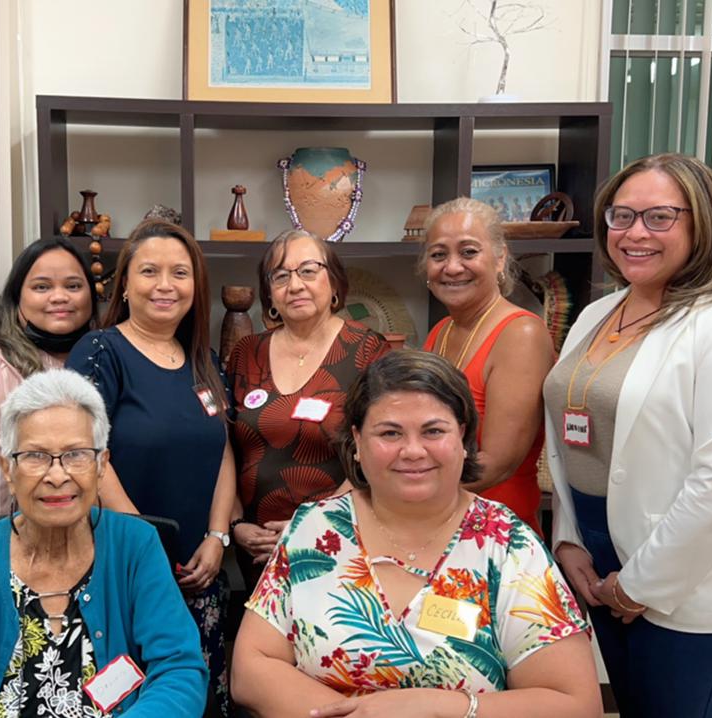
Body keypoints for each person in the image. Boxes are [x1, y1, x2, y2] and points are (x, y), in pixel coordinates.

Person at [544, 153, 712, 717]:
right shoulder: (598, 313)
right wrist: (569, 542)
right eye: (621, 215)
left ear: (701, 224)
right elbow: (569, 441)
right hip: (601, 558)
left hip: (692, 579)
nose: (634, 233)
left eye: (659, 217)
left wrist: (641, 585)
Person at [232, 351, 601, 718]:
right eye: (390, 433)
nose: (412, 451)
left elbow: (575, 703)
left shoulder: (505, 544)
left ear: (463, 438)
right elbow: (252, 668)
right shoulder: (315, 529)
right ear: (357, 442)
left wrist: (445, 708)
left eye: (433, 431)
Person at [0, 369, 208, 717]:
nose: (57, 475)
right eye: (35, 456)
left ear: (101, 466)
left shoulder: (136, 546)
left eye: (76, 454)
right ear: (8, 470)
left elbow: (180, 670)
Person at [67, 219, 237, 716]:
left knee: (197, 694)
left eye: (179, 273)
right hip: (123, 562)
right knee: (128, 694)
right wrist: (147, 543)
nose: (165, 285)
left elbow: (223, 450)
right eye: (150, 271)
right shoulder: (100, 352)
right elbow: (88, 453)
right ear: (124, 283)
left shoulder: (204, 360)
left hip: (199, 570)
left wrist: (217, 536)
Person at [0, 237, 137, 523]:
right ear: (17, 297)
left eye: (73, 286)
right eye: (42, 287)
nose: (60, 297)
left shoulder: (102, 360)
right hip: (11, 546)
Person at [227, 229, 389, 575]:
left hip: (335, 539)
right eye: (281, 276)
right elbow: (225, 446)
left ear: (334, 283)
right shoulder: (246, 352)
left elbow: (380, 449)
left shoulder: (368, 351)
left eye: (308, 271)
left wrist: (313, 523)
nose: (295, 285)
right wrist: (236, 522)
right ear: (269, 293)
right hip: (255, 547)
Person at [420, 197, 553, 534]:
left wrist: (396, 501)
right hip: (436, 528)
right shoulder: (440, 332)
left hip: (494, 535)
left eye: (468, 252)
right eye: (438, 255)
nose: (452, 267)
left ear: (500, 258)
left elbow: (496, 464)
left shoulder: (521, 334)